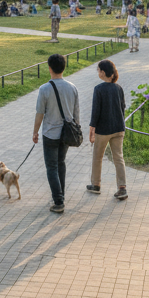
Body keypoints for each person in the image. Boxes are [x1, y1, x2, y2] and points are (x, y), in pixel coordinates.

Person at [33, 54, 78, 214]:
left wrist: (35, 131)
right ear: (64, 67)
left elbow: (40, 113)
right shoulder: (72, 87)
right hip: (66, 134)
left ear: (49, 68)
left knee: (51, 166)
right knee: (61, 163)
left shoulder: (44, 89)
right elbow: (76, 113)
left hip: (50, 134)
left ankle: (58, 201)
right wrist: (76, 130)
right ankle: (60, 196)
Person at [87, 60, 128, 201]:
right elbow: (123, 107)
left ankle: (96, 184)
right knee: (118, 157)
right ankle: (122, 188)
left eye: (98, 70)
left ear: (103, 72)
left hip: (103, 130)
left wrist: (92, 129)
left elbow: (95, 111)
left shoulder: (98, 89)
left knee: (97, 157)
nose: (98, 72)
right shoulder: (119, 88)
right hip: (118, 128)